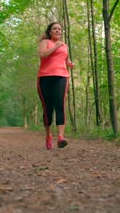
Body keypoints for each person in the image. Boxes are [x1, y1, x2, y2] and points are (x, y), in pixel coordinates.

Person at [37, 22, 74, 150]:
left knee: (60, 105)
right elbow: (42, 54)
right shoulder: (45, 42)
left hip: (62, 77)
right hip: (45, 78)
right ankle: (48, 136)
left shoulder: (65, 46)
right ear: (50, 31)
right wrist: (55, 47)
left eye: (59, 29)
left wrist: (70, 64)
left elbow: (66, 60)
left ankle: (61, 138)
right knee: (47, 109)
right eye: (55, 29)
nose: (58, 31)